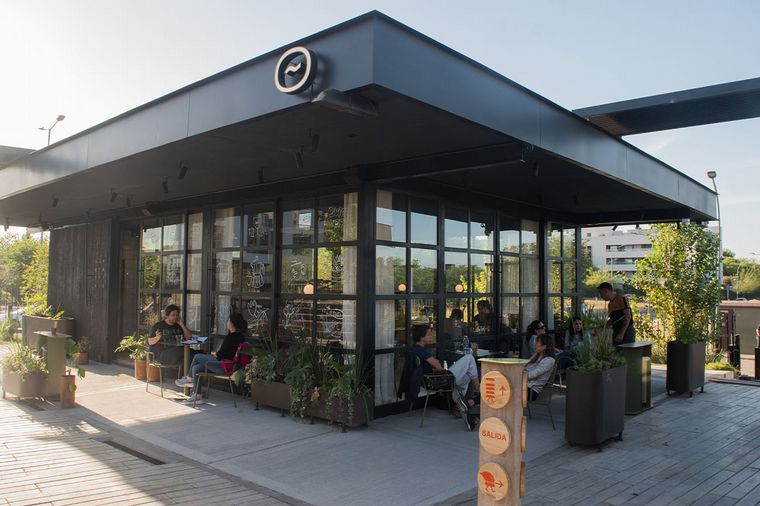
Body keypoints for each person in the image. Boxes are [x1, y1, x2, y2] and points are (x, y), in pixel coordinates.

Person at [411, 324, 479, 430]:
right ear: (421, 337)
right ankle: (478, 390)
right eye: (429, 334)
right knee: (469, 358)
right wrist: (438, 365)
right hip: (438, 381)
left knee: (468, 374)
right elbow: (437, 365)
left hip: (433, 380)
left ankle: (459, 404)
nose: (432, 336)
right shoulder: (420, 350)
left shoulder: (416, 349)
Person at [175, 312, 247, 404]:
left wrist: (214, 355)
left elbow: (221, 355)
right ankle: (197, 395)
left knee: (197, 356)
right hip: (229, 365)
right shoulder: (241, 336)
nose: (227, 322)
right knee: (196, 368)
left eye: (228, 320)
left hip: (223, 366)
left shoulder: (230, 337)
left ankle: (189, 378)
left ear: (232, 323)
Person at [524, 334, 556, 401]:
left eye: (537, 342)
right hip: (525, 386)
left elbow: (532, 375)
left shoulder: (549, 360)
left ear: (544, 346)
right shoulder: (537, 355)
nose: (535, 344)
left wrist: (519, 374)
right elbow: (525, 366)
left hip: (532, 390)